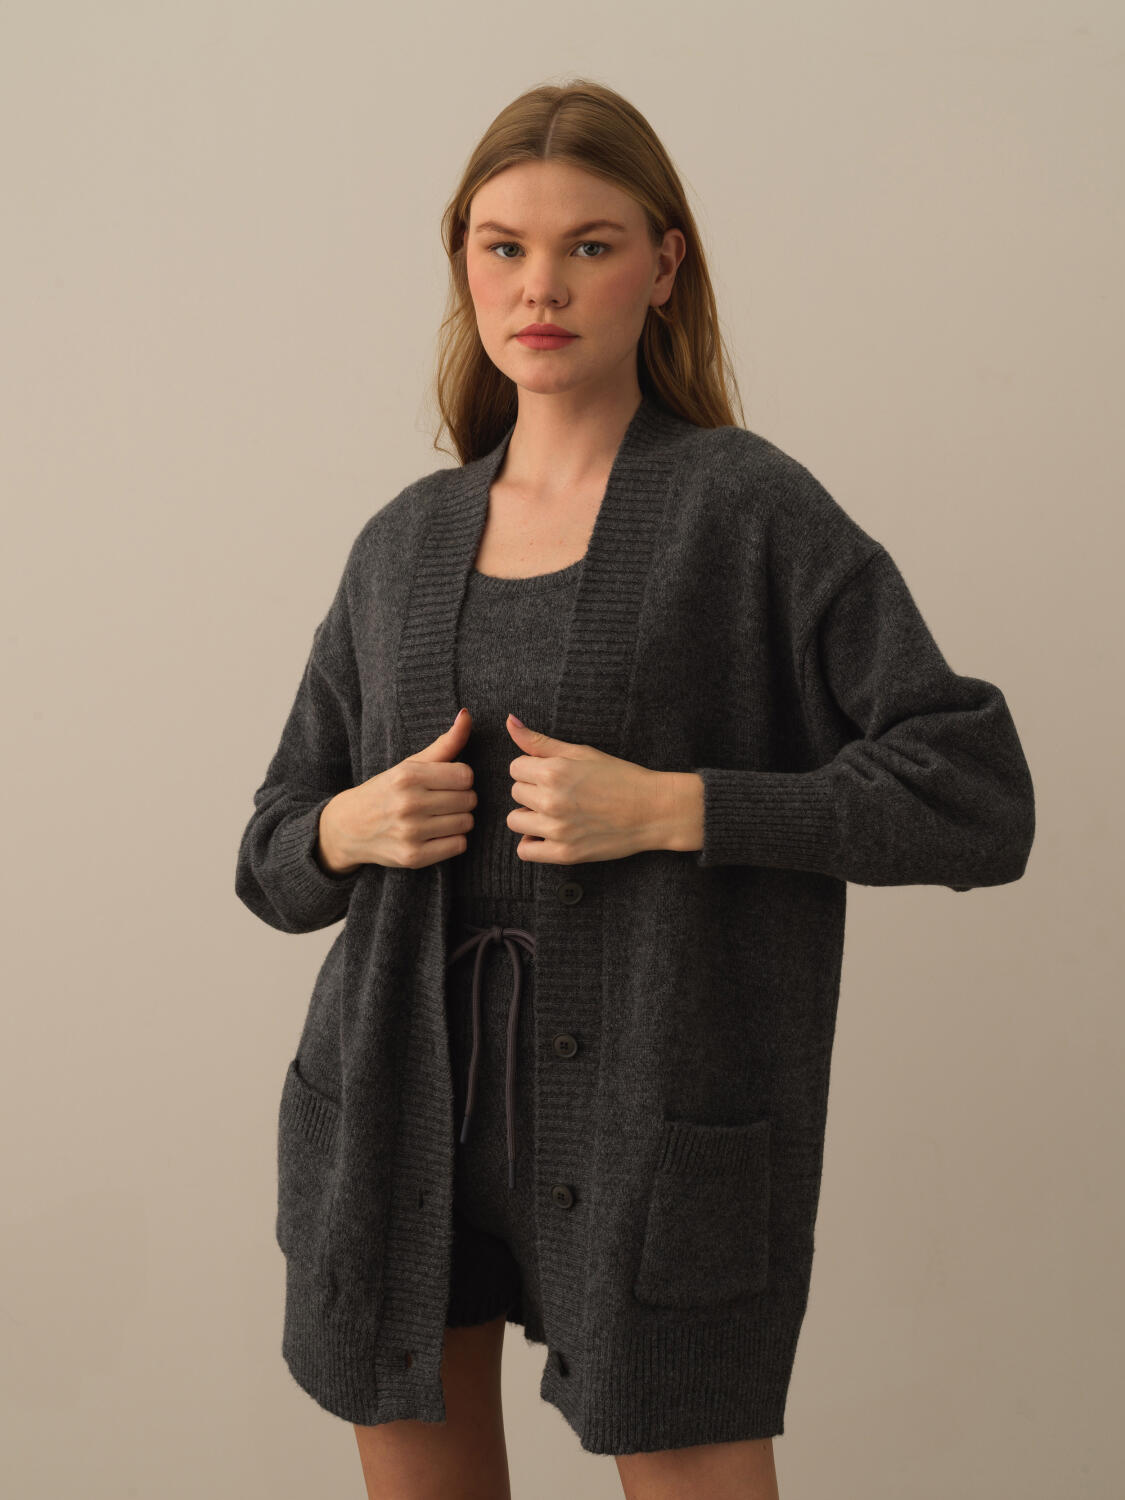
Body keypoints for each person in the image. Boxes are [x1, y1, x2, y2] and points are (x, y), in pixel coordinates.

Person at [235, 79, 1035, 1500]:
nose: (538, 286)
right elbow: (271, 854)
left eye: (588, 246)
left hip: (653, 1128)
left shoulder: (744, 508)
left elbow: (974, 790)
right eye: (503, 247)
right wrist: (346, 829)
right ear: (464, 264)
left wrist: (680, 808)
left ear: (664, 267)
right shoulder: (402, 543)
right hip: (394, 1117)